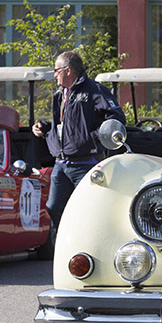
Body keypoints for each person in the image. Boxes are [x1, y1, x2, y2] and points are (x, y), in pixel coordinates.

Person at [33, 51, 125, 244]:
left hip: (86, 163)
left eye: (56, 70)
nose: (54, 75)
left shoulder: (94, 90)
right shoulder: (59, 95)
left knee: (89, 209)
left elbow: (116, 118)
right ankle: (64, 246)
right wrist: (45, 128)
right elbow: (63, 125)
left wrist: (93, 138)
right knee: (53, 206)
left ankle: (89, 246)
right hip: (61, 163)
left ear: (68, 70)